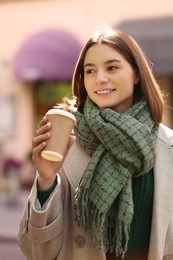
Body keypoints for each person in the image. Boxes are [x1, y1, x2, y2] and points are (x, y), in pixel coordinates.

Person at [18, 26, 173, 260]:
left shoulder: (168, 146)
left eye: (112, 67)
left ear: (137, 74)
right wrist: (46, 179)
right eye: (90, 71)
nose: (99, 79)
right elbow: (36, 251)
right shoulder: (66, 141)